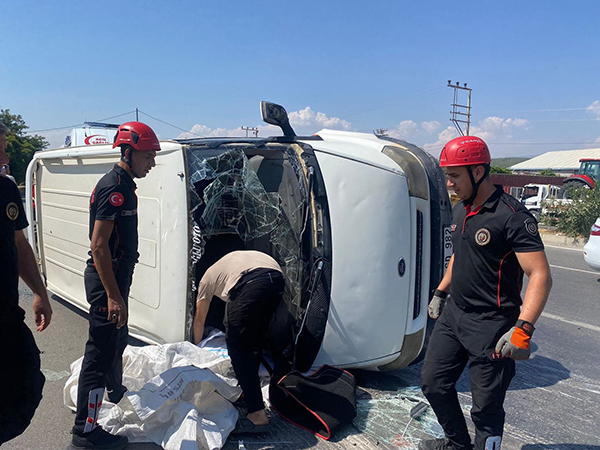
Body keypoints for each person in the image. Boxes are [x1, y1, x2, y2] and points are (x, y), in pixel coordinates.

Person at [419, 136, 553, 450]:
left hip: (492, 325)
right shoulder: (460, 210)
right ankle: (456, 444)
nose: (449, 183)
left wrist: (523, 330)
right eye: (447, 175)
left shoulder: (513, 217)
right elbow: (460, 258)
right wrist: (440, 292)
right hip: (455, 316)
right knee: (433, 383)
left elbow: (540, 276)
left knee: (486, 410)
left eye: (454, 176)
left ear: (478, 172)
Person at [71, 122, 160, 450]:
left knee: (117, 339)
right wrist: (112, 296)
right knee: (99, 353)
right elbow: (98, 246)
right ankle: (85, 432)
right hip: (106, 280)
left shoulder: (125, 183)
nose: (151, 163)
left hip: (116, 279)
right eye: (148, 156)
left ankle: (116, 391)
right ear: (129, 151)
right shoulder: (114, 187)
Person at [0, 122, 53, 444]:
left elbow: (19, 243)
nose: (6, 153)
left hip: (6, 317)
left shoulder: (5, 189)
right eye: (2, 147)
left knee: (25, 383)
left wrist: (39, 293)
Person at [192, 250, 285, 433]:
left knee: (236, 344)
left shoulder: (205, 280)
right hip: (276, 278)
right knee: (254, 341)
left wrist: (196, 349)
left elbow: (199, 320)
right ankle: (247, 391)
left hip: (250, 281)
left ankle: (257, 414)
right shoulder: (229, 262)